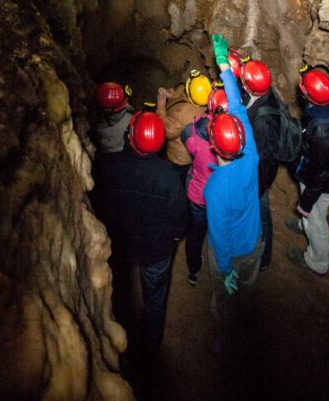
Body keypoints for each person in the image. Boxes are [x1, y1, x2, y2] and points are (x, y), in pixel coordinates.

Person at [93, 109, 187, 354]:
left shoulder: (107, 168)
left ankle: (116, 336)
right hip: (156, 250)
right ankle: (151, 346)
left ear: (130, 136)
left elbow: (100, 204)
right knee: (154, 300)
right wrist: (175, 236)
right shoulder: (168, 177)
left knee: (119, 290)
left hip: (120, 243)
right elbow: (179, 218)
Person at [204, 34, 262, 333]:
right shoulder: (250, 154)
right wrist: (225, 66)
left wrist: (225, 269)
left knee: (226, 296)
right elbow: (238, 108)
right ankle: (244, 316)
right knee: (247, 292)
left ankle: (228, 329)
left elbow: (219, 237)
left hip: (233, 252)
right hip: (254, 243)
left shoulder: (214, 189)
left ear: (213, 144)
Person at [286, 64, 329, 275]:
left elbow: (321, 173)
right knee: (311, 216)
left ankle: (317, 261)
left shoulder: (323, 134)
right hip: (314, 168)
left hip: (319, 181)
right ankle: (305, 225)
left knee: (317, 218)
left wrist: (306, 203)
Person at [239, 58, 280, 271]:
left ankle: (264, 259)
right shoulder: (257, 93)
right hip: (251, 168)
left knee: (262, 213)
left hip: (258, 177)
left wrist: (257, 187)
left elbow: (265, 158)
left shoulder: (265, 122)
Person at [180, 111, 217, 286]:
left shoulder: (193, 137)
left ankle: (193, 270)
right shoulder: (235, 141)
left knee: (195, 234)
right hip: (221, 197)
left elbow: (186, 131)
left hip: (199, 196)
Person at [156, 69, 211, 185]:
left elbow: (166, 131)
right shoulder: (201, 95)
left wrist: (161, 108)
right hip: (186, 157)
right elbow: (183, 90)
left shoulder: (185, 114)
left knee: (177, 181)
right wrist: (170, 94)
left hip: (179, 160)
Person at [92, 81, 134, 153]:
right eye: (123, 99)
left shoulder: (96, 123)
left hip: (105, 154)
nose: (126, 99)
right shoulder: (131, 121)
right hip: (124, 153)